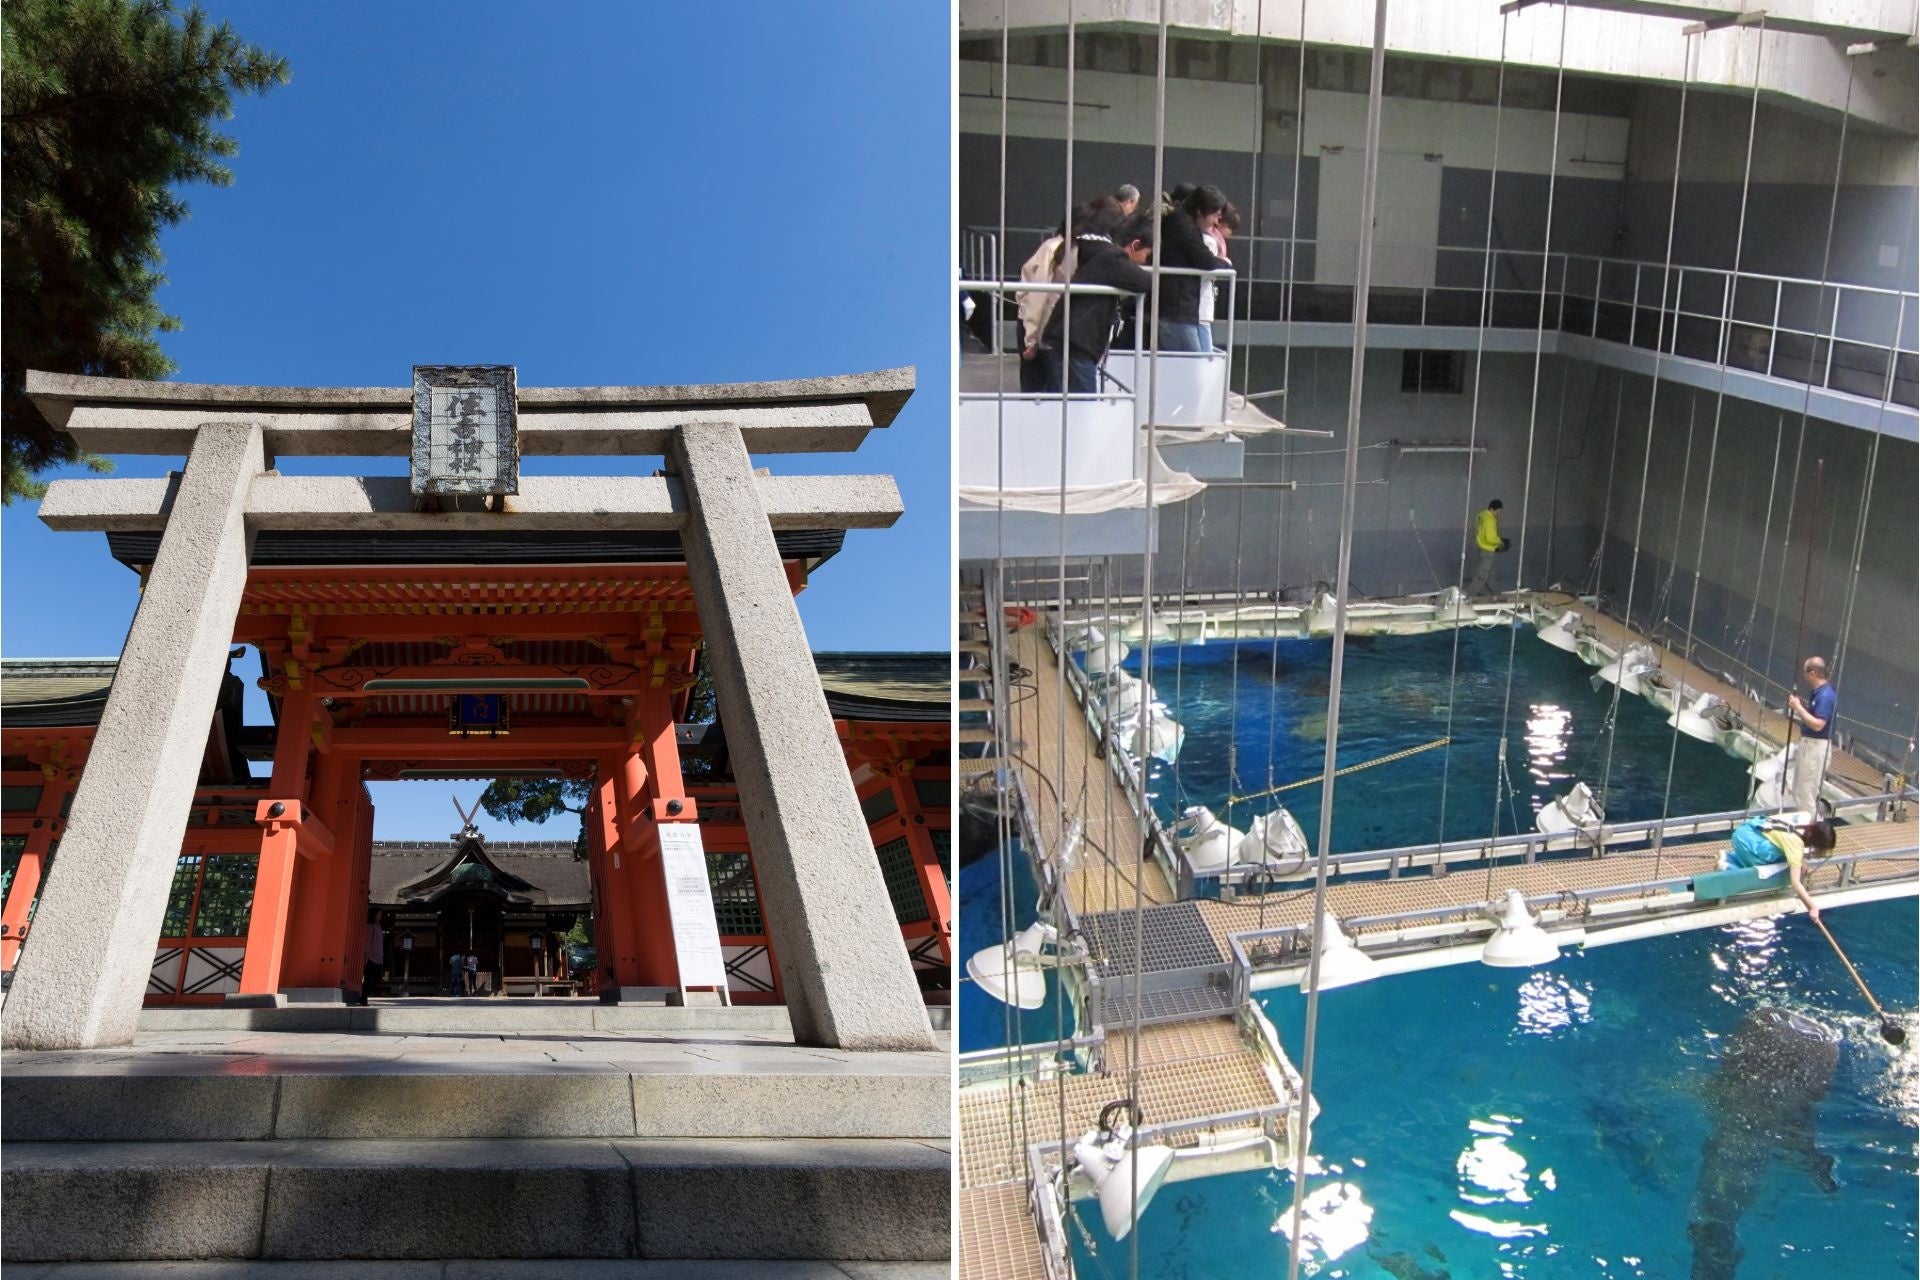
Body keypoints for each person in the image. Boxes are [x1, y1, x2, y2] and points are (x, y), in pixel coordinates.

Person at [1036, 210, 1155, 394]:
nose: (1146, 261)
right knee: (1084, 408)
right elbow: (1145, 282)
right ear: (1135, 245)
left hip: (1068, 339)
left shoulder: (1098, 252)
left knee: (1063, 406)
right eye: (1147, 255)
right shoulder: (1112, 258)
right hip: (1076, 343)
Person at [1153, 185, 1234, 352]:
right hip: (1177, 308)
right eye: (1215, 215)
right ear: (1199, 211)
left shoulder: (1181, 222)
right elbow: (1206, 261)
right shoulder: (1183, 226)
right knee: (1191, 365)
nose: (1216, 222)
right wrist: (1225, 262)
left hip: (1178, 307)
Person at [1719, 814, 1836, 923]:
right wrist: (1812, 907)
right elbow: (1795, 883)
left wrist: (1800, 863)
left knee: (1786, 860)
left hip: (1748, 830)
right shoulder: (1796, 844)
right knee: (1774, 868)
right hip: (1745, 840)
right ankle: (1728, 864)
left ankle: (1731, 857)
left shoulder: (1802, 824)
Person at [1015, 223, 1067, 393]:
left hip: (1038, 324)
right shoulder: (1055, 248)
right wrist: (1032, 338)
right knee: (1039, 388)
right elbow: (1039, 294)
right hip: (1039, 327)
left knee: (1038, 387)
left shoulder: (1052, 246)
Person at [1785, 657, 1837, 813]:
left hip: (1816, 748)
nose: (1804, 675)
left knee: (1807, 794)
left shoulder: (1825, 696)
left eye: (1805, 672)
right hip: (1809, 746)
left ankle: (1811, 832)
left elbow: (1818, 724)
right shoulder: (1818, 693)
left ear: (1813, 673)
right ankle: (1804, 826)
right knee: (1799, 790)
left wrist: (1798, 708)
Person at [1467, 499, 1510, 597]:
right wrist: (1500, 541)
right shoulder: (1490, 520)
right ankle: (1468, 595)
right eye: (1498, 512)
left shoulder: (1481, 515)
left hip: (1481, 547)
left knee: (1490, 575)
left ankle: (1496, 594)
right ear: (1492, 509)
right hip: (1488, 550)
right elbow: (1490, 538)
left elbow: (1479, 531)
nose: (1498, 514)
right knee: (1482, 576)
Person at [362, 908, 385, 1001]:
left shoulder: (379, 927)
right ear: (375, 915)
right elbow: (367, 941)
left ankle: (364, 995)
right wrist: (367, 954)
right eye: (379, 913)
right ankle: (363, 997)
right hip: (371, 956)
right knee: (368, 978)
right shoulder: (370, 926)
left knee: (378, 978)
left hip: (378, 956)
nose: (380, 915)